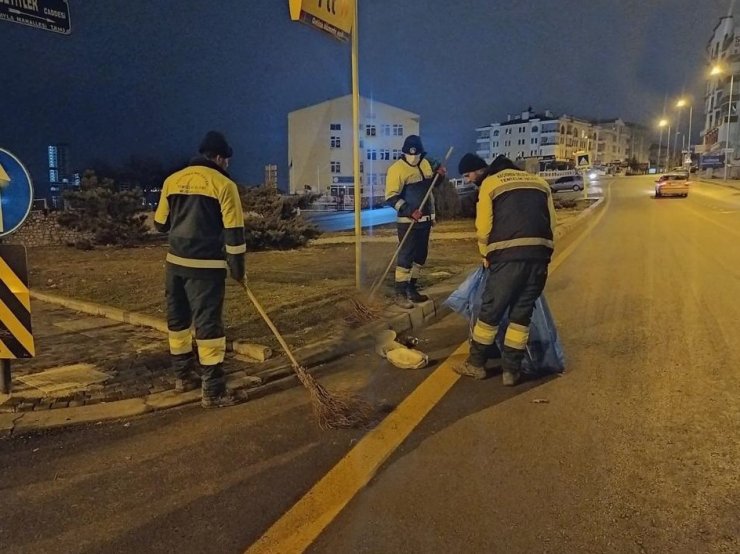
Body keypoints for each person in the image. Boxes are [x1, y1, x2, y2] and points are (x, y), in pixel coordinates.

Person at [154, 131, 247, 408]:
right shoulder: (224, 185)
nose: (227, 164)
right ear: (218, 158)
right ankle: (213, 391)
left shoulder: (172, 180)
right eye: (226, 160)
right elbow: (234, 235)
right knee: (209, 327)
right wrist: (238, 271)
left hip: (175, 265)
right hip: (206, 269)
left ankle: (183, 377)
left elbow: (160, 224)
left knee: (178, 323)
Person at [455, 153, 556, 386]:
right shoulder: (539, 182)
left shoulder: (490, 184)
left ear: (481, 170)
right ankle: (511, 371)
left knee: (491, 312)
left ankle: (476, 364)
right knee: (521, 315)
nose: (469, 180)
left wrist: (485, 254)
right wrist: (545, 252)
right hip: (539, 256)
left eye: (469, 174)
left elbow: (483, 226)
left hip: (507, 257)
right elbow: (551, 222)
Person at [384, 135, 446, 309]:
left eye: (416, 154)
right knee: (406, 256)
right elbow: (391, 197)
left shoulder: (425, 164)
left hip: (425, 221)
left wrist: (439, 176)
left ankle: (412, 288)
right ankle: (400, 293)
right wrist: (409, 211)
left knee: (420, 256)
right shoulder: (396, 169)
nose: (413, 157)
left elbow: (433, 185)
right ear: (404, 153)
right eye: (410, 154)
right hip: (407, 222)